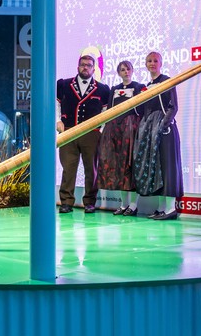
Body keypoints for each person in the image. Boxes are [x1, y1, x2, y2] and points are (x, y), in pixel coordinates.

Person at [56, 54, 111, 213]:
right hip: (68, 132)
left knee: (91, 169)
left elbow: (105, 111)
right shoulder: (64, 85)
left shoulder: (103, 89)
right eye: (83, 64)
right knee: (68, 168)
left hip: (91, 134)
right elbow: (56, 104)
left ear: (94, 69)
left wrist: (100, 129)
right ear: (77, 66)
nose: (85, 67)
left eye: (89, 65)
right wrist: (57, 121)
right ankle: (66, 202)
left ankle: (90, 202)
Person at [132, 51, 184, 220]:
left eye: (155, 60)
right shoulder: (146, 86)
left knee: (168, 167)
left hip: (165, 130)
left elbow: (173, 106)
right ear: (145, 64)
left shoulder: (167, 81)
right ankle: (162, 208)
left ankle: (170, 208)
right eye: (149, 61)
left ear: (160, 63)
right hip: (150, 131)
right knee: (158, 168)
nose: (152, 63)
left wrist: (163, 126)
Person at [96, 61, 142, 215]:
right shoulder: (114, 89)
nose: (126, 72)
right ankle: (123, 205)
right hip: (115, 130)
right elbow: (109, 110)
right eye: (122, 70)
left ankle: (134, 206)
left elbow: (141, 109)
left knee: (131, 166)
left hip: (131, 129)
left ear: (132, 70)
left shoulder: (139, 86)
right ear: (118, 73)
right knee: (119, 167)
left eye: (128, 69)